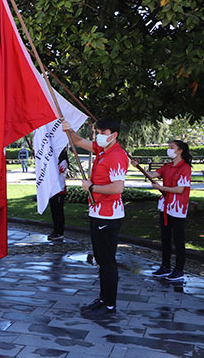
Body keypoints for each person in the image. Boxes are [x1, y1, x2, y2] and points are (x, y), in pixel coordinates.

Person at [63, 117, 128, 318]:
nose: (99, 136)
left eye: (102, 132)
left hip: (108, 216)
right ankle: (103, 298)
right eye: (97, 132)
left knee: (107, 261)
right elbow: (80, 142)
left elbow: (118, 187)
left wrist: (91, 187)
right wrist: (69, 129)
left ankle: (109, 305)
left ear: (114, 135)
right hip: (97, 212)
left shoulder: (117, 155)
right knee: (101, 259)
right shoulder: (102, 150)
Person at [133, 140, 192, 282]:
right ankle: (165, 266)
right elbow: (152, 174)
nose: (169, 149)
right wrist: (137, 167)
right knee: (165, 238)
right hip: (165, 206)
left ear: (180, 151)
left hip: (178, 207)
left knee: (178, 239)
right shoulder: (168, 166)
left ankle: (179, 270)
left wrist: (162, 188)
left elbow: (180, 189)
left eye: (172, 147)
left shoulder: (185, 168)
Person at [47, 148, 69, 241]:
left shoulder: (64, 162)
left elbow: (56, 172)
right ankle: (55, 230)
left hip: (59, 190)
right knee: (54, 211)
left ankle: (60, 231)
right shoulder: (55, 160)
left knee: (58, 211)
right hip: (53, 190)